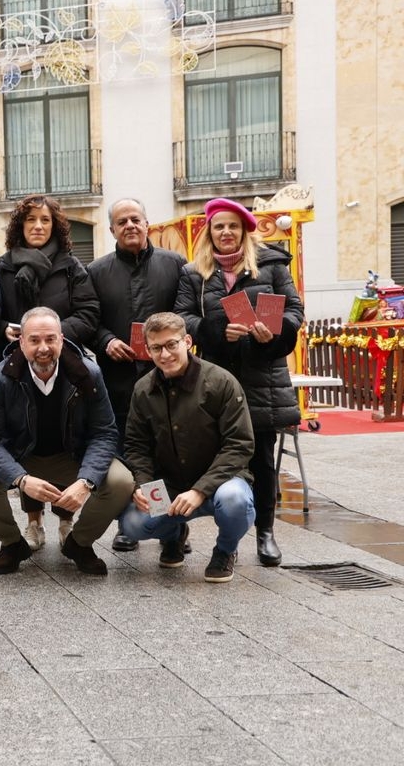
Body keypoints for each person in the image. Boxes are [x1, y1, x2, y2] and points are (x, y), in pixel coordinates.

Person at [175, 197, 304, 567]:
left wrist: (276, 333)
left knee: (263, 458)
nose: (226, 232)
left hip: (262, 377)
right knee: (206, 455)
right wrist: (217, 329)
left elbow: (295, 310)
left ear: (244, 230)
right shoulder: (192, 273)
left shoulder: (272, 265)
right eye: (219, 226)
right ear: (209, 232)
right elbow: (183, 318)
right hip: (214, 378)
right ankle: (214, 534)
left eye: (233, 226)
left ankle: (265, 532)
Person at [0, 307, 134, 575]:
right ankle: (11, 544)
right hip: (21, 456)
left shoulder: (88, 374)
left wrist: (86, 481)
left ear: (61, 339)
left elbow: (105, 432)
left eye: (50, 339)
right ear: (20, 342)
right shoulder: (1, 377)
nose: (43, 348)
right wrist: (20, 479)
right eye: (34, 340)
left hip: (72, 457)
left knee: (121, 481)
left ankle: (79, 543)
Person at [0, 194, 100, 552]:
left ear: (55, 227)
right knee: (27, 433)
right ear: (19, 227)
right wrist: (9, 333)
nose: (38, 227)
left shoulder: (71, 266)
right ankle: (34, 522)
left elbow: (88, 312)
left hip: (66, 364)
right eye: (30, 221)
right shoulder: (2, 267)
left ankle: (67, 519)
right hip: (15, 366)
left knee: (64, 432)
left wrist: (48, 338)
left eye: (45, 221)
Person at [118, 312, 256, 582]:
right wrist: (143, 486)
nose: (165, 354)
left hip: (220, 482)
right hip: (169, 484)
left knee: (235, 501)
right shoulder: (143, 389)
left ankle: (225, 550)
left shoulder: (220, 381)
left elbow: (239, 445)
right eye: (156, 348)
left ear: (187, 341)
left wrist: (199, 490)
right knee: (132, 524)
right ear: (147, 350)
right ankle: (174, 535)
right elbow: (136, 446)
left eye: (172, 344)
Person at [87, 198, 187, 553]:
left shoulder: (175, 264)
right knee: (127, 453)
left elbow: (186, 311)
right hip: (120, 379)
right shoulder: (97, 271)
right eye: (121, 221)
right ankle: (128, 522)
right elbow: (89, 320)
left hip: (169, 378)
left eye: (135, 219)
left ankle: (169, 526)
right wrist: (107, 340)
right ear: (112, 230)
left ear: (147, 223)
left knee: (167, 452)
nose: (129, 225)